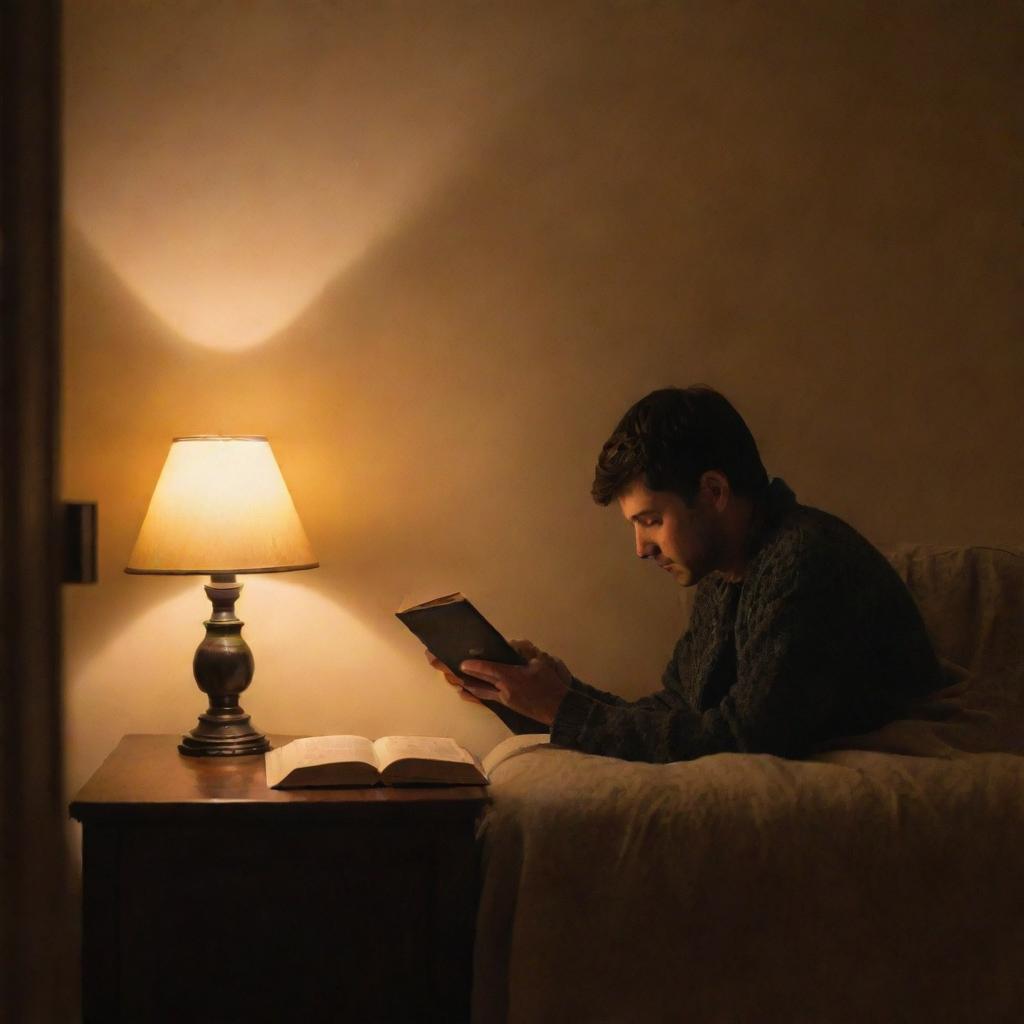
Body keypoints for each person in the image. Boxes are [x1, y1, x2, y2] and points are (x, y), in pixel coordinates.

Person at [427, 385, 944, 762]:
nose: (641, 548)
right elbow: (679, 711)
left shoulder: (804, 563)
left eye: (651, 520)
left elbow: (744, 739)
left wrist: (563, 710)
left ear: (714, 493)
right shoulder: (729, 573)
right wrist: (540, 695)